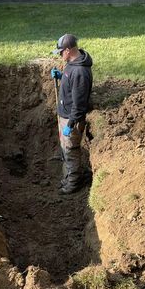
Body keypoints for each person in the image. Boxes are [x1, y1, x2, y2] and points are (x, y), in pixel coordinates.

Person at [51, 34, 93, 194]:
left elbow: (80, 102)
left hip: (71, 119)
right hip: (65, 115)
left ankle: (73, 184)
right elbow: (73, 86)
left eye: (61, 52)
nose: (60, 55)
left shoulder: (80, 72)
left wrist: (70, 124)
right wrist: (62, 77)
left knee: (71, 152)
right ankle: (69, 176)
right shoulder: (72, 64)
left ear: (68, 50)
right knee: (66, 150)